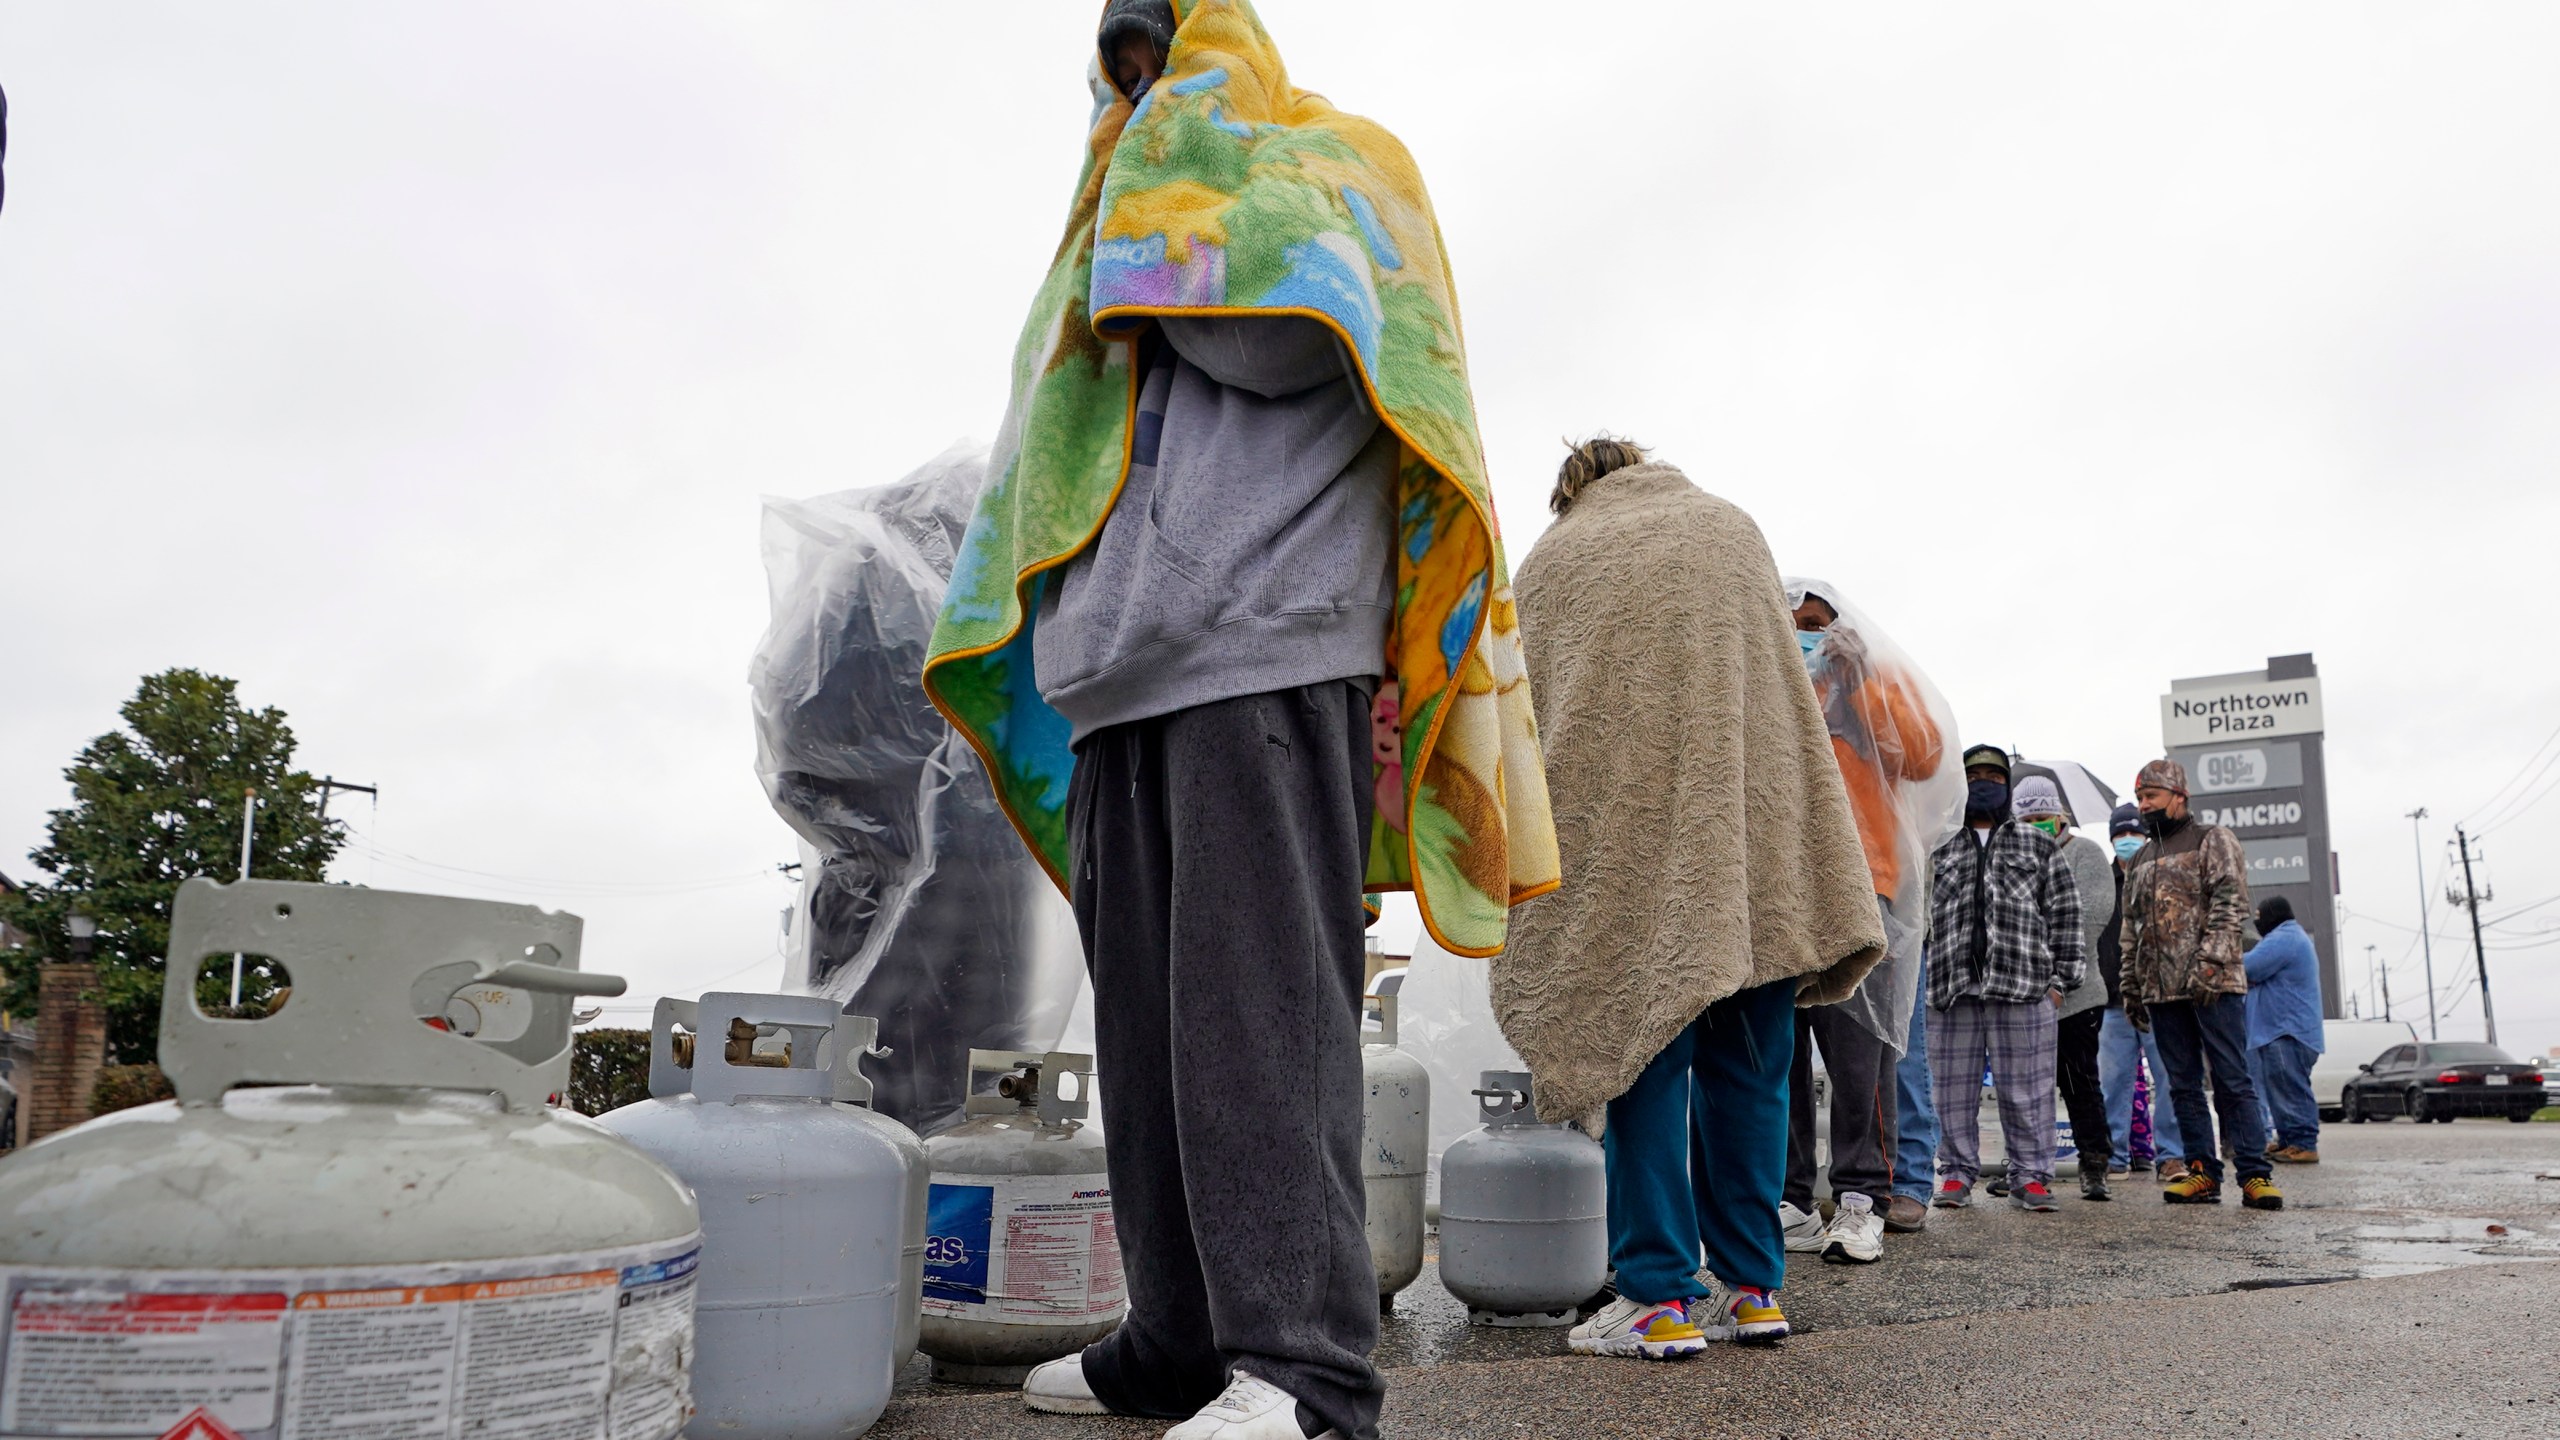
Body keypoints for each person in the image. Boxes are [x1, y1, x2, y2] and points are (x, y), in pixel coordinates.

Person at [923, 5, 1559, 1436]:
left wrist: (1151, 221)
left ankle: (1306, 1371)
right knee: (1147, 1044)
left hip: (1263, 648)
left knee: (1257, 1027)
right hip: (1120, 677)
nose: (1141, 90)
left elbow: (1294, 339)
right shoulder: (1123, 209)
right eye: (1122, 70)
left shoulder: (1333, 159)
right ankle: (1182, 1338)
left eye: (1163, 51)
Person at [1496, 439, 1885, 1357]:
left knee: (1634, 1059)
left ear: (1571, 490)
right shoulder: (1731, 530)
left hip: (1624, 850)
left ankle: (1659, 1299)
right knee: (1752, 1072)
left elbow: (1531, 708)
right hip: (1750, 851)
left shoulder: (1555, 559)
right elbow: (1784, 702)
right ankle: (1753, 1291)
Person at [1778, 580, 1957, 1250]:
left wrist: (1856, 681)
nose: (1807, 636)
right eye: (1793, 624)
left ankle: (1860, 1201)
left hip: (1860, 888)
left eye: (1818, 624)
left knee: (1860, 1054)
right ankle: (1790, 1201)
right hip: (1779, 892)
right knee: (1777, 1055)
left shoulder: (1866, 688)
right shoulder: (1768, 690)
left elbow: (1924, 753)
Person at [1925, 746, 2085, 1212]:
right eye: (1973, 774)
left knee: (2029, 1093)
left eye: (1994, 775)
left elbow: (2065, 913)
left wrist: (2059, 984)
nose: (1983, 782)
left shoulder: (2036, 844)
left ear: (2007, 785)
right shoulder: (1937, 843)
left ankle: (2031, 1177)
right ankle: (1955, 1174)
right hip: (1951, 990)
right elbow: (1917, 914)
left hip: (2024, 989)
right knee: (1951, 1093)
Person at [2122, 759, 2281, 1211]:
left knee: (2233, 1079)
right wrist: (2131, 985)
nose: (2144, 805)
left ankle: (2254, 1174)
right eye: (2140, 798)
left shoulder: (2213, 839)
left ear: (2178, 796)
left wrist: (2211, 962)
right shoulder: (2140, 859)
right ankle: (2202, 1173)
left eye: (2151, 796)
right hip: (2162, 991)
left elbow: (2230, 901)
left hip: (2215, 985)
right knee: (2183, 1085)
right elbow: (2131, 929)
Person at [2014, 778, 2116, 1201]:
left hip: (2076, 995)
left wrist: (2057, 977)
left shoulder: (2086, 854)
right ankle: (2027, 1169)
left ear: (2059, 816)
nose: (2035, 826)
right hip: (2024, 995)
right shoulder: (2015, 859)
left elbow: (2091, 919)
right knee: (2025, 1089)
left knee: (2079, 1084)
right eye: (2026, 820)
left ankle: (2095, 1165)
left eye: (2041, 819)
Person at [2096, 803, 2187, 1180]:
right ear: (2112, 839)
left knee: (2170, 1078)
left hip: (2158, 998)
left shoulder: (2162, 875)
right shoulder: (2101, 881)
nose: (2127, 841)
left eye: (2134, 834)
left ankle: (2172, 1156)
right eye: (2120, 835)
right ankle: (2114, 1155)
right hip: (2113, 1000)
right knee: (2112, 1081)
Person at [2244, 895, 2325, 1163]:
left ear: (2273, 915)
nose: (2258, 923)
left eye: (2260, 917)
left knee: (2290, 1088)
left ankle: (2303, 1142)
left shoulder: (2284, 937)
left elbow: (2249, 968)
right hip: (2282, 1030)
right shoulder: (2287, 937)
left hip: (2287, 1030)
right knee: (2281, 1089)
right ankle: (2290, 1140)